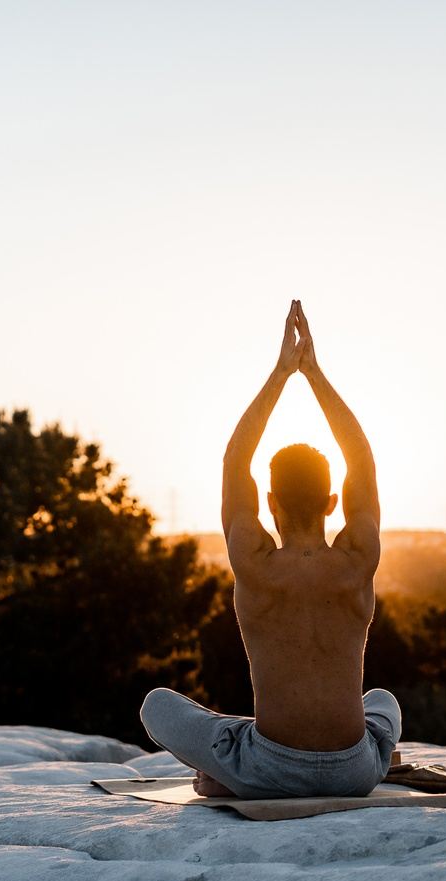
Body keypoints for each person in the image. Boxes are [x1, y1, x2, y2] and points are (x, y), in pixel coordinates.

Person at [139, 300, 401, 799]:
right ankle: (244, 760)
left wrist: (282, 374)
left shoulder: (253, 560)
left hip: (271, 769)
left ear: (271, 502)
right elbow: (361, 460)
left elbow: (236, 460)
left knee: (156, 704)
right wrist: (315, 374)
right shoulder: (357, 558)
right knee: (383, 701)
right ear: (331, 502)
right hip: (354, 773)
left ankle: (233, 769)